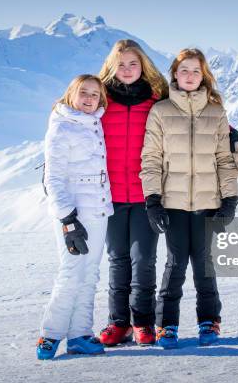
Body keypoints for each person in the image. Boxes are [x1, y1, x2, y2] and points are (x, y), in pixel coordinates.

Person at [140, 48, 238, 349]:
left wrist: (230, 199)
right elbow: (151, 159)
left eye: (196, 71)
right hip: (172, 203)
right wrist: (153, 200)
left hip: (208, 202)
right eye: (184, 70)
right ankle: (166, 325)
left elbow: (225, 159)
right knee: (175, 263)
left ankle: (209, 321)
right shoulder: (161, 111)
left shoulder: (215, 112)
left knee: (204, 264)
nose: (190, 76)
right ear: (174, 74)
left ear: (203, 75)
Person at [97, 39, 169, 346]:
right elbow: (69, 120)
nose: (127, 70)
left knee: (143, 260)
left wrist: (231, 135)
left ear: (143, 66)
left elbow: (193, 119)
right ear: (112, 67)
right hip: (109, 195)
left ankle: (142, 322)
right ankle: (119, 323)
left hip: (146, 196)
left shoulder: (157, 100)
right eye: (121, 65)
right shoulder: (100, 100)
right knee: (117, 259)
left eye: (133, 64)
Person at [37, 74, 113, 360]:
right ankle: (51, 333)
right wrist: (68, 219)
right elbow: (53, 178)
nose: (89, 99)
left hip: (99, 208)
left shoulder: (96, 123)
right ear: (71, 94)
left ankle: (80, 334)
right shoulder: (61, 126)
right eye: (84, 92)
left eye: (95, 94)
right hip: (74, 212)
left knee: (90, 273)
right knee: (71, 272)